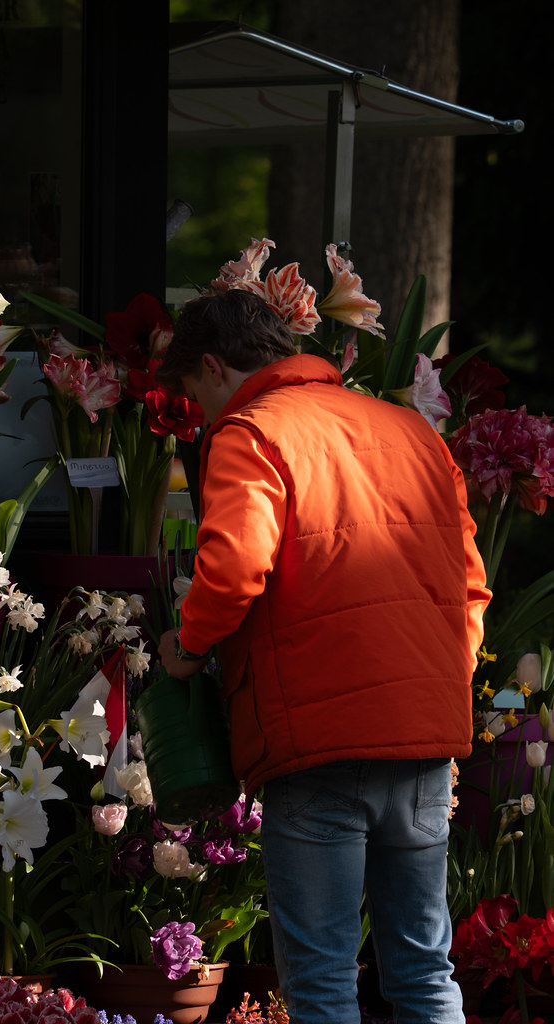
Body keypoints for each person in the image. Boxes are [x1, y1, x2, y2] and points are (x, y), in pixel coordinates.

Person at [157, 288, 491, 1024]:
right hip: (420, 735)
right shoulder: (412, 432)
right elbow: (471, 587)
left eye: (196, 397)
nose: (203, 418)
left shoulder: (251, 431)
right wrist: (438, 684)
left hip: (316, 743)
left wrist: (184, 646)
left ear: (213, 367)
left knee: (320, 984)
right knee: (423, 972)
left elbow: (233, 567)